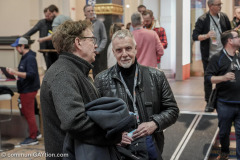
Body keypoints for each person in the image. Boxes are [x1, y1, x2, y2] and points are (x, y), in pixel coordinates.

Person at [40, 20, 127, 159]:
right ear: (78, 42)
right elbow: (75, 121)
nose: (96, 45)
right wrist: (112, 137)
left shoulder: (75, 70)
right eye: (92, 39)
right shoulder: (63, 74)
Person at [94, 29, 179, 160]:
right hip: (118, 149)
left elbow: (172, 110)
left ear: (136, 49)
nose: (124, 54)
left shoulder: (156, 76)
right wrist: (114, 136)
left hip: (150, 143)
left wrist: (154, 123)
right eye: (119, 50)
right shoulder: (101, 80)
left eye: (128, 48)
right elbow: (96, 118)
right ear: (113, 52)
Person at [205, 30, 240, 160]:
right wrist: (223, 77)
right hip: (224, 103)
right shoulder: (217, 58)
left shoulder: (239, 56)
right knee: (224, 132)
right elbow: (208, 78)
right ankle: (224, 153)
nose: (239, 39)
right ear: (230, 41)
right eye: (237, 37)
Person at [192, 0, 231, 112]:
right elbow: (195, 36)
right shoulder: (203, 19)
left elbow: (229, 32)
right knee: (208, 80)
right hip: (209, 55)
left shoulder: (223, 17)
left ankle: (223, 101)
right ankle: (209, 102)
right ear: (210, 6)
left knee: (225, 78)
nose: (220, 7)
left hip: (223, 54)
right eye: (218, 5)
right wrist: (206, 35)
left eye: (220, 4)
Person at [7, 37, 40, 145]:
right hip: (25, 89)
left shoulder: (29, 58)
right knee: (26, 112)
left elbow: (31, 75)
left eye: (17, 47)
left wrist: (15, 73)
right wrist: (12, 72)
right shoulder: (25, 57)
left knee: (29, 113)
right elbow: (24, 71)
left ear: (22, 46)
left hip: (28, 90)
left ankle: (33, 137)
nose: (16, 49)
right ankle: (35, 132)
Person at [84, 4, 107, 78]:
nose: (91, 12)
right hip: (85, 53)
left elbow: (104, 38)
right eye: (88, 11)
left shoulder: (99, 23)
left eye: (92, 10)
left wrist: (99, 49)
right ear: (84, 13)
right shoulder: (82, 24)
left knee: (97, 74)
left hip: (96, 53)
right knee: (85, 73)